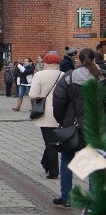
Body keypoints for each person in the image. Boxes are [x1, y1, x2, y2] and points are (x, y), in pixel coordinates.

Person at [51, 48, 103, 207]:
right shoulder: (101, 77)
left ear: (78, 60)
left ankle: (66, 196)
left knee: (67, 158)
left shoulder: (68, 78)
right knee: (94, 161)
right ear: (94, 59)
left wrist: (63, 122)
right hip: (95, 126)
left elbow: (58, 103)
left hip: (72, 125)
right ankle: (93, 199)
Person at [29, 52, 63, 180]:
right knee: (53, 141)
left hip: (45, 113)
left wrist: (41, 96)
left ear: (46, 62)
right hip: (60, 113)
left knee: (49, 142)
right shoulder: (63, 75)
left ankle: (53, 170)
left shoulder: (39, 75)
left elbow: (32, 95)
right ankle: (45, 162)